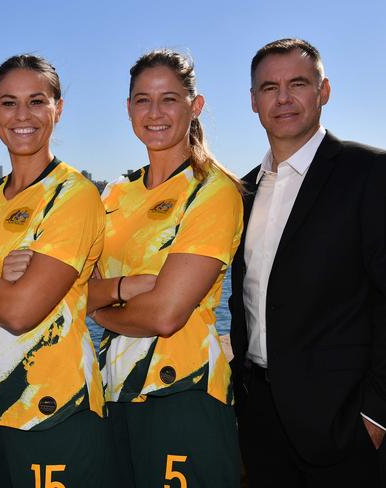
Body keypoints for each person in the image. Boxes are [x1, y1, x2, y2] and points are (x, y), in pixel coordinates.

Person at [0, 54, 107, 487]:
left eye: (37, 101)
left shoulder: (74, 194)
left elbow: (21, 311)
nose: (22, 115)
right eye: (8, 103)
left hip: (54, 407)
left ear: (58, 109)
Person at [229, 38, 386, 487]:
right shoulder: (242, 192)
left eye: (298, 83)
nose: (283, 98)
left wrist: (375, 416)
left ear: (324, 91)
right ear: (254, 101)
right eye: (269, 87)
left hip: (342, 425)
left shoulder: (370, 173)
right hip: (259, 419)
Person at [88, 49, 244, 487]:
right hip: (111, 388)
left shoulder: (213, 190)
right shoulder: (114, 193)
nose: (154, 113)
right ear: (128, 109)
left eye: (169, 99)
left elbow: (165, 314)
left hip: (183, 390)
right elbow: (70, 289)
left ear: (195, 106)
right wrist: (125, 288)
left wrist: (100, 308)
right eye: (143, 99)